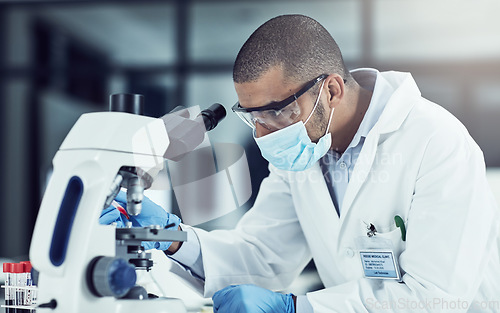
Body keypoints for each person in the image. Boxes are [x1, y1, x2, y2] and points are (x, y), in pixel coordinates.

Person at [100, 14, 500, 312]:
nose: (262, 134)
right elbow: (261, 256)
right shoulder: (306, 151)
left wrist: (297, 307)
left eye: (276, 111)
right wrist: (172, 237)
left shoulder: (436, 142)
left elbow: (435, 298)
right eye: (253, 116)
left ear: (331, 90)